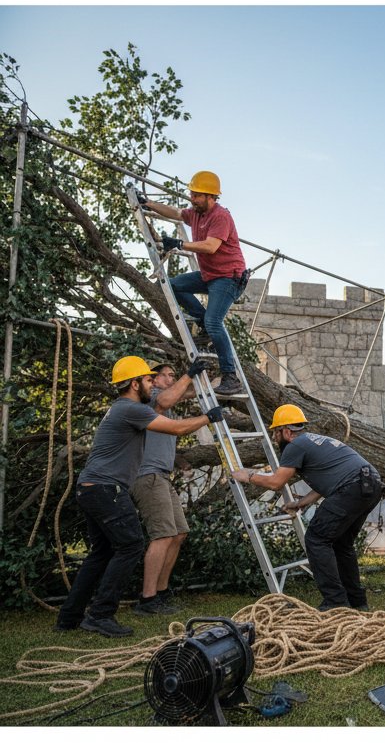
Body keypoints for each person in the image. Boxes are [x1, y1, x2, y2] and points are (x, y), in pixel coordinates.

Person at [54, 356, 221, 637]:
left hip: (93, 488)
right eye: (148, 380)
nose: (152, 384)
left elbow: (173, 402)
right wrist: (209, 417)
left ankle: (69, 617)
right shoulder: (131, 409)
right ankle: (100, 615)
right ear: (134, 384)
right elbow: (177, 428)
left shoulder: (124, 408)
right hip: (105, 488)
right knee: (131, 546)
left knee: (101, 553)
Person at [231, 404, 383, 611]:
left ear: (286, 431)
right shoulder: (313, 441)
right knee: (342, 544)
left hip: (352, 487)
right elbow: (329, 480)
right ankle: (357, 602)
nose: (274, 438)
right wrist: (301, 503)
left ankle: (335, 602)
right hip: (371, 485)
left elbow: (276, 482)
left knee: (316, 539)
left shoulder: (295, 446)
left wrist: (248, 475)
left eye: (275, 433)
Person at [138, 170, 248, 396]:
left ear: (210, 196)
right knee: (171, 285)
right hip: (210, 275)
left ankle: (231, 377)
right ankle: (202, 321)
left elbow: (210, 246)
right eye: (192, 194)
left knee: (214, 321)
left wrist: (179, 244)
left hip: (229, 277)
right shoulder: (197, 213)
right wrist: (148, 204)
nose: (192, 198)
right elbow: (176, 213)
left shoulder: (220, 216)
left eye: (197, 195)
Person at [129, 362, 193, 616]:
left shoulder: (168, 400)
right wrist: (190, 374)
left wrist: (219, 379)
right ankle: (147, 599)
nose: (170, 379)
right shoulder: (151, 399)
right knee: (163, 535)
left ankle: (161, 592)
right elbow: (168, 398)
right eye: (165, 376)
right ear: (152, 380)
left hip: (162, 477)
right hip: (148, 476)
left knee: (179, 533)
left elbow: (186, 392)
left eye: (172, 376)